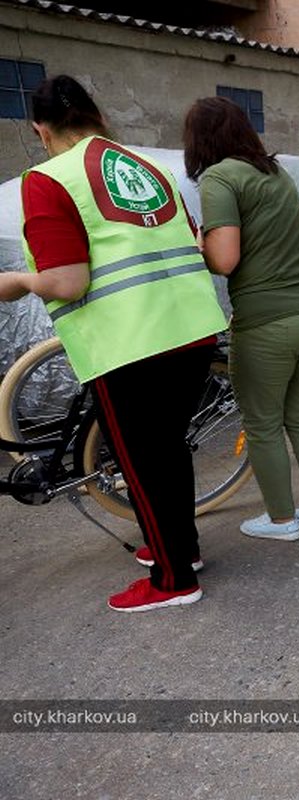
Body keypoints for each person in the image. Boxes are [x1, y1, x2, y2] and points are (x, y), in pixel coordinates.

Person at [0, 76, 226, 611]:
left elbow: (66, 282)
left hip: (129, 341)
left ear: (40, 130)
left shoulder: (47, 178)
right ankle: (179, 551)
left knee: (143, 462)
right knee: (167, 450)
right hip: (191, 329)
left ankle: (174, 581)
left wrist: (16, 283)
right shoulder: (150, 168)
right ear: (96, 117)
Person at [184, 97, 299, 540]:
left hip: (269, 320)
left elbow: (227, 258)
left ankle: (281, 520)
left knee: (263, 423)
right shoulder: (275, 173)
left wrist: (198, 243)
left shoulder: (219, 178)